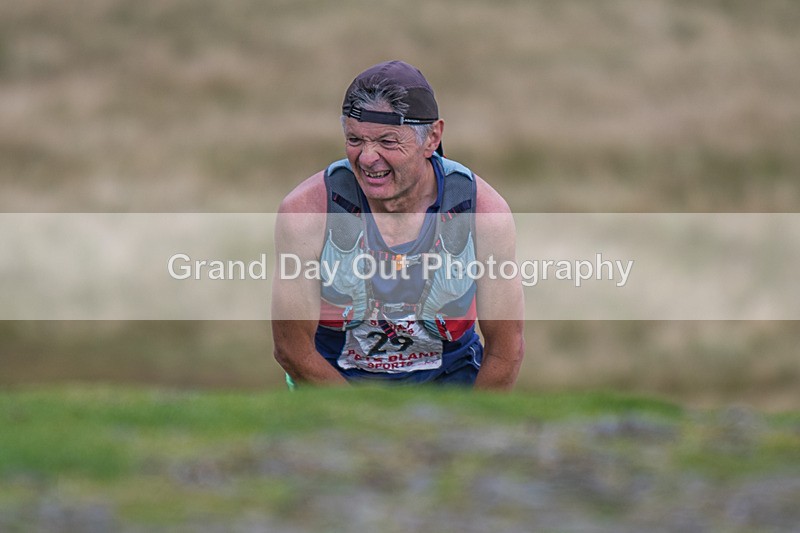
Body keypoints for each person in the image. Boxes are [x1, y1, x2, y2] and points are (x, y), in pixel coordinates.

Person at [271, 60, 524, 389]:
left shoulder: (484, 214)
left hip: (452, 385)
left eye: (388, 142)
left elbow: (506, 351)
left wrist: (467, 428)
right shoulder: (306, 213)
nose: (367, 158)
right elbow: (292, 350)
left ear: (432, 138)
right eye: (355, 140)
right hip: (334, 390)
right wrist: (364, 423)